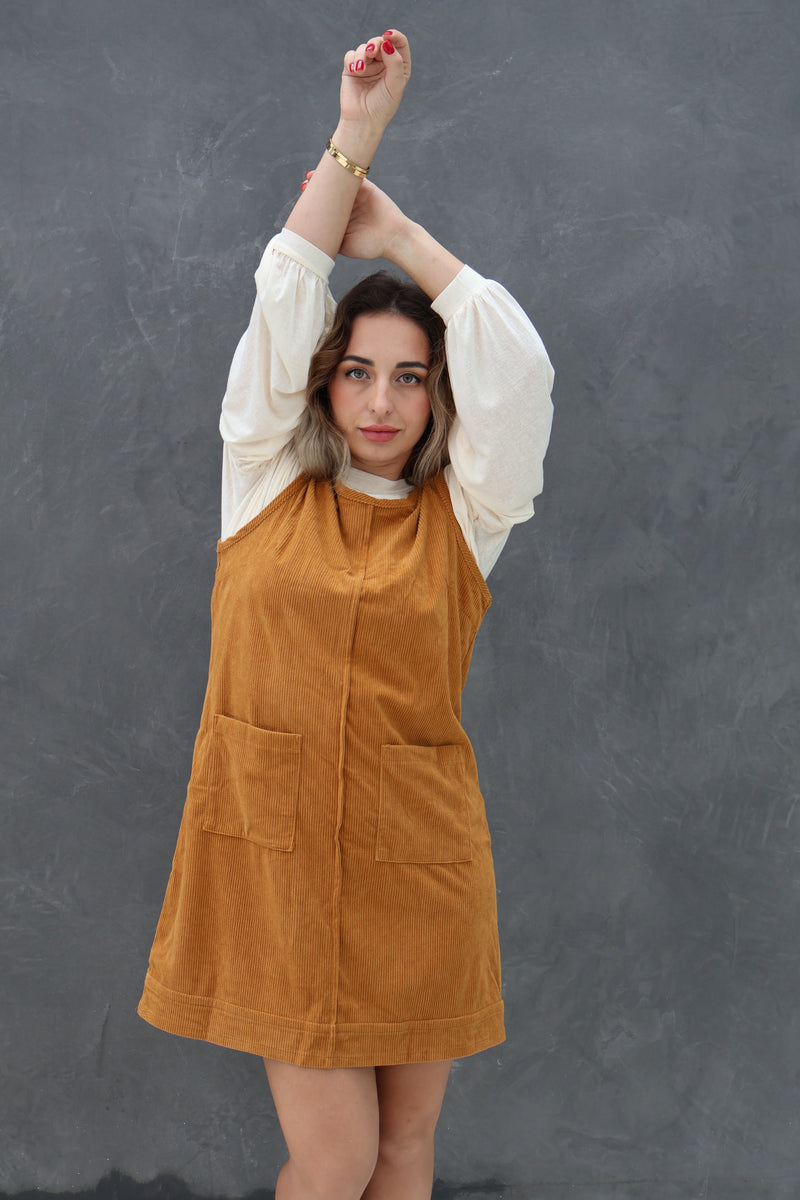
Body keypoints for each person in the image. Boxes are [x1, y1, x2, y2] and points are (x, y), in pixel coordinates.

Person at [138, 27, 554, 1200]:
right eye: (359, 371)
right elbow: (283, 295)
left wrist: (401, 242)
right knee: (336, 1156)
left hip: (419, 865)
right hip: (272, 862)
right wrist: (355, 137)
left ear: (435, 400)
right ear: (325, 382)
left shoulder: (466, 518)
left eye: (410, 376)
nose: (382, 400)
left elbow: (518, 374)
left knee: (406, 1154)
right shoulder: (260, 478)